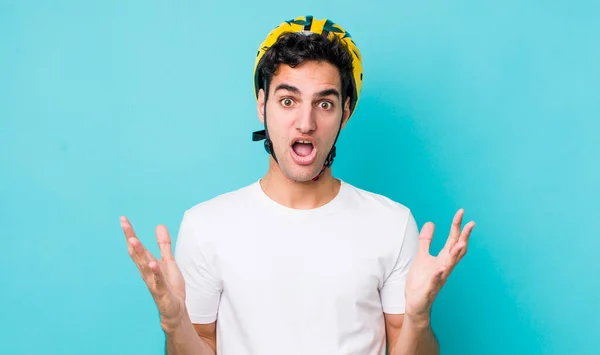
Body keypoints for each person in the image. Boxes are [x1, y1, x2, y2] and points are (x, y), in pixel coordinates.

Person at [120, 15, 475, 355]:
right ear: (262, 105)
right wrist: (173, 322)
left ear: (345, 113)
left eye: (324, 103)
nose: (305, 122)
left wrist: (417, 318)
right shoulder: (205, 226)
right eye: (288, 100)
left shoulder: (392, 225)